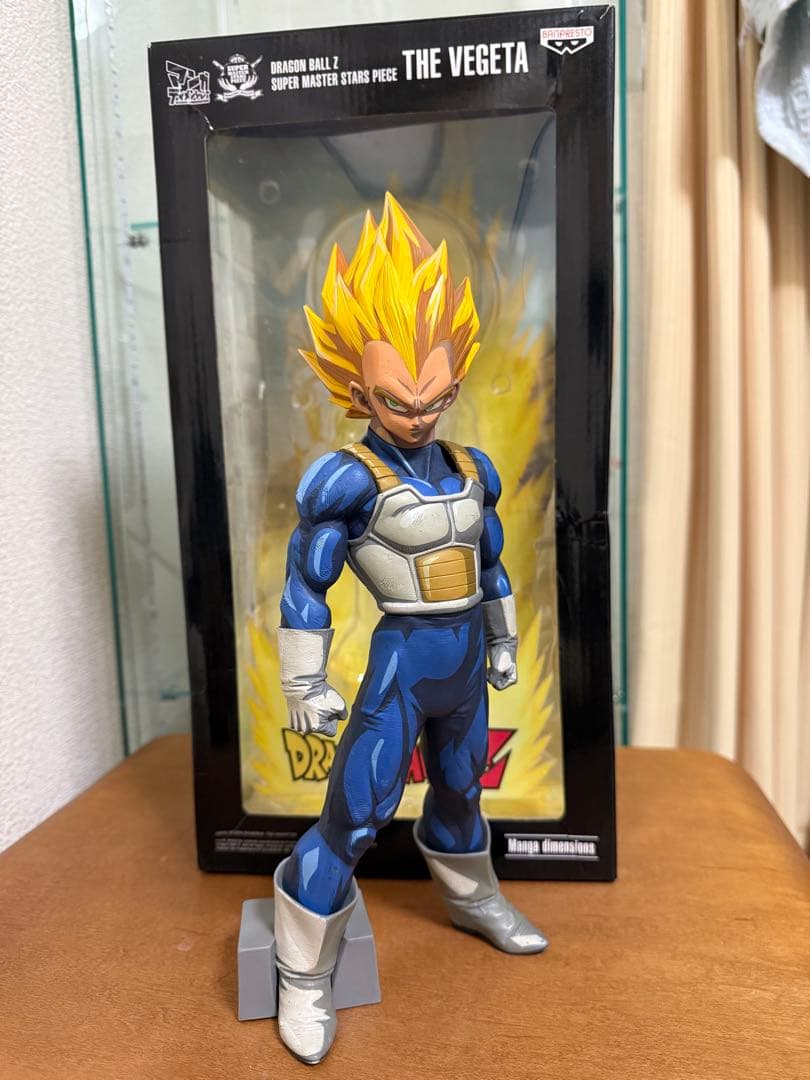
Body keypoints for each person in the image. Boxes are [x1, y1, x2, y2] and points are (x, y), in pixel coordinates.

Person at [274, 193, 546, 1064]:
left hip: (464, 659)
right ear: (358, 392)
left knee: (462, 791)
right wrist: (303, 681)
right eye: (398, 401)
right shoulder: (346, 480)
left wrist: (503, 639)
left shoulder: (472, 467)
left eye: (438, 396)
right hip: (402, 661)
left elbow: (492, 564)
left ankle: (472, 899)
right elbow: (306, 581)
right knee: (356, 813)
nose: (421, 415)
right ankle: (303, 972)